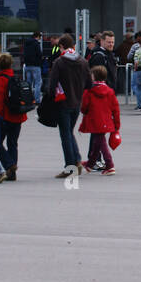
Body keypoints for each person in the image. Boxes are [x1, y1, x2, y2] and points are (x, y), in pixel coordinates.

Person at [46, 34, 89, 178]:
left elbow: (52, 85)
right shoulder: (82, 61)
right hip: (77, 102)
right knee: (69, 132)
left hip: (63, 102)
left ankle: (70, 167)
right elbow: (90, 83)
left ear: (62, 47)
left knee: (65, 135)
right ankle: (76, 161)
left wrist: (50, 96)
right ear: (74, 46)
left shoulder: (59, 62)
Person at [0, 53, 28, 181]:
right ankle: (12, 173)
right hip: (18, 116)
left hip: (5, 117)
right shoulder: (15, 77)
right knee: (13, 143)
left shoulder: (0, 80)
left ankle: (9, 165)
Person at [79, 65, 121, 175]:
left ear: (93, 77)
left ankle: (110, 164)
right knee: (97, 142)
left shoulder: (89, 91)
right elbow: (115, 109)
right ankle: (90, 164)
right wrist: (117, 124)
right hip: (106, 121)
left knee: (101, 142)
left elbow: (84, 107)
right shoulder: (110, 91)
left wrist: (84, 112)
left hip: (93, 120)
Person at [22, 31, 44, 103]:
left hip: (27, 65)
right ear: (37, 36)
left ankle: (28, 99)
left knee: (29, 83)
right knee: (38, 83)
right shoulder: (36, 43)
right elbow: (39, 54)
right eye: (39, 37)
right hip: (36, 66)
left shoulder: (26, 43)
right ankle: (37, 100)